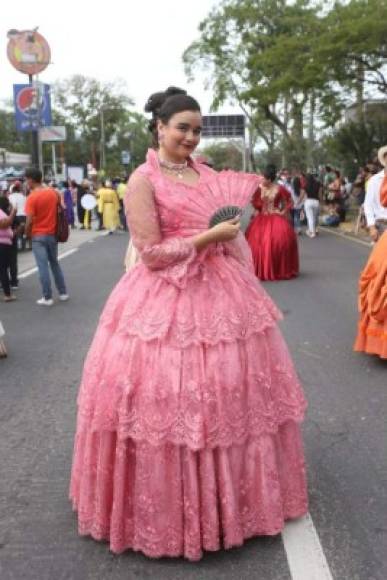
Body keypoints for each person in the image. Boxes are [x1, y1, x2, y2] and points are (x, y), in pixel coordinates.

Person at [70, 87, 308, 561]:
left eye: (197, 130)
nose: (191, 138)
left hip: (220, 292)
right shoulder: (143, 179)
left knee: (229, 398)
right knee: (169, 401)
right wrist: (207, 237)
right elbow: (153, 252)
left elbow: (227, 232)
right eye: (183, 128)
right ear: (159, 126)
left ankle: (228, 506)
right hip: (163, 297)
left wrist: (229, 240)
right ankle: (170, 514)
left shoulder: (207, 173)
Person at [354, 145, 387, 358]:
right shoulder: (375, 180)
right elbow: (368, 205)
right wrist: (373, 227)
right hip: (384, 229)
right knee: (379, 278)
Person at [245, 164, 299, 280]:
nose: (261, 180)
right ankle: (258, 269)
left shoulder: (280, 188)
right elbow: (255, 204)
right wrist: (256, 204)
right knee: (256, 244)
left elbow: (290, 201)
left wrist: (283, 211)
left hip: (276, 218)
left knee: (280, 242)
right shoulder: (258, 189)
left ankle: (277, 269)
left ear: (269, 179)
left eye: (264, 178)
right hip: (261, 218)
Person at [24, 167, 69, 306]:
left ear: (31, 180)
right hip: (52, 234)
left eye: (26, 179)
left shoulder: (32, 197)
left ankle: (47, 297)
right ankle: (63, 293)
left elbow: (29, 220)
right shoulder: (53, 193)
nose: (26, 182)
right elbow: (63, 207)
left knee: (42, 266)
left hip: (38, 235)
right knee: (54, 263)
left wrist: (26, 233)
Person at [0, 196, 17, 302]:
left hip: (4, 243)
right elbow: (4, 224)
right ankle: (7, 294)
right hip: (2, 244)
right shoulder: (1, 213)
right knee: (3, 269)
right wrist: (13, 212)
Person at [304, 173, 321, 238]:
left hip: (308, 201)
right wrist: (321, 202)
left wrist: (299, 202)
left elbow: (303, 194)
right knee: (315, 217)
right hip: (316, 201)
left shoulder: (306, 185)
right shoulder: (318, 184)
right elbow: (320, 194)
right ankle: (314, 229)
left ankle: (312, 232)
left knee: (310, 218)